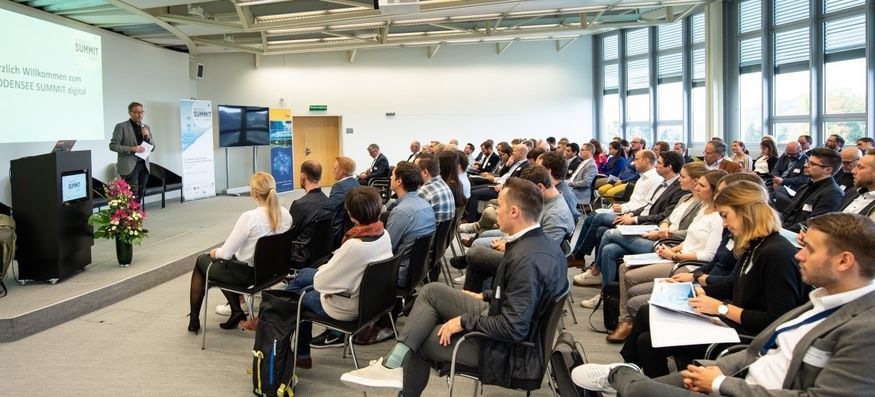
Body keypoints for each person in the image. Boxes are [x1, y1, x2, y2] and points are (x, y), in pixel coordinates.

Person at [573, 212, 875, 397]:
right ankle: (625, 375)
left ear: (844, 260)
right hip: (735, 374)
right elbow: (758, 351)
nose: (799, 255)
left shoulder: (866, 329)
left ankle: (620, 375)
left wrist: (719, 383)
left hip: (739, 388)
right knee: (646, 366)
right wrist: (712, 370)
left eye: (808, 248)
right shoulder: (821, 299)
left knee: (638, 389)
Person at [340, 177, 568, 396]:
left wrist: (463, 321)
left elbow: (514, 327)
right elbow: (523, 296)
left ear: (514, 212)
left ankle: (395, 370)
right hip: (505, 320)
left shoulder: (527, 259)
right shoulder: (538, 244)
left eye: (499, 206)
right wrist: (485, 296)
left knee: (423, 339)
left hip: (511, 353)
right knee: (432, 292)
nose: (496, 211)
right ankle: (391, 366)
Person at [618, 180, 807, 377]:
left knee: (647, 342)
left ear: (747, 213)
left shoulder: (776, 254)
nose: (724, 224)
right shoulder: (756, 245)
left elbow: (776, 320)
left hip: (747, 337)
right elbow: (737, 283)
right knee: (647, 312)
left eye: (726, 216)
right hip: (732, 320)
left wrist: (720, 308)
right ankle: (627, 371)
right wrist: (699, 291)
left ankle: (632, 376)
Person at [283, 186, 394, 368]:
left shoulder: (354, 245)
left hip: (348, 307)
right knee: (303, 276)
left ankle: (298, 351)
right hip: (371, 302)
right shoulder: (383, 233)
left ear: (351, 214)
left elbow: (320, 283)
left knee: (299, 297)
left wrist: (329, 266)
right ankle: (278, 314)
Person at [186, 172, 292, 334]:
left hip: (250, 275)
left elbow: (226, 253)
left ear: (254, 193)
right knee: (224, 264)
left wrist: (214, 252)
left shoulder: (250, 218)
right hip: (273, 273)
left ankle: (194, 319)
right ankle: (236, 311)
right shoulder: (285, 214)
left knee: (203, 261)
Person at [386, 161, 436, 288]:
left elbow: (387, 248)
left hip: (398, 274)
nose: (390, 177)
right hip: (418, 270)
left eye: (392, 175)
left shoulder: (401, 212)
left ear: (399, 181)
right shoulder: (426, 205)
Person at [780, 148, 844, 232]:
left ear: (828, 170)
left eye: (812, 163)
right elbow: (787, 213)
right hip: (785, 229)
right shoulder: (804, 187)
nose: (805, 165)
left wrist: (783, 230)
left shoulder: (833, 193)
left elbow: (816, 223)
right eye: (807, 162)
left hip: (800, 235)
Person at [465, 144, 529, 221]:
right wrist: (507, 165)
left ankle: (471, 219)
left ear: (521, 153)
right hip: (498, 183)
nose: (512, 153)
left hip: (503, 188)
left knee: (474, 194)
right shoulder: (515, 162)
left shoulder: (525, 166)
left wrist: (503, 185)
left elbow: (518, 182)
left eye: (515, 151)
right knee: (471, 189)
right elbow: (502, 174)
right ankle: (468, 214)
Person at [109, 102, 154, 203]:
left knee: (140, 195)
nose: (140, 114)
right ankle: (130, 218)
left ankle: (136, 218)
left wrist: (148, 136)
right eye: (136, 112)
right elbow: (113, 146)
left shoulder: (146, 127)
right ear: (130, 113)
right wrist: (131, 148)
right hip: (129, 166)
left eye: (142, 112)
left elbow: (153, 147)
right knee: (131, 196)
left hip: (144, 165)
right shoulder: (121, 126)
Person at [288, 161, 329, 268]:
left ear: (302, 176)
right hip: (322, 252)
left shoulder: (299, 204)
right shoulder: (328, 201)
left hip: (301, 255)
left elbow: (289, 234)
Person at [322, 156, 359, 247]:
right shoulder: (356, 183)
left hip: (337, 232)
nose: (333, 171)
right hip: (351, 228)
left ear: (341, 171)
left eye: (335, 169)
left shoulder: (339, 187)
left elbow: (329, 209)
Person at [413, 155, 455, 223]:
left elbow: (409, 218)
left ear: (425, 172)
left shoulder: (424, 192)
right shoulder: (443, 185)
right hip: (438, 232)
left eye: (415, 169)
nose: (412, 172)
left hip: (427, 232)